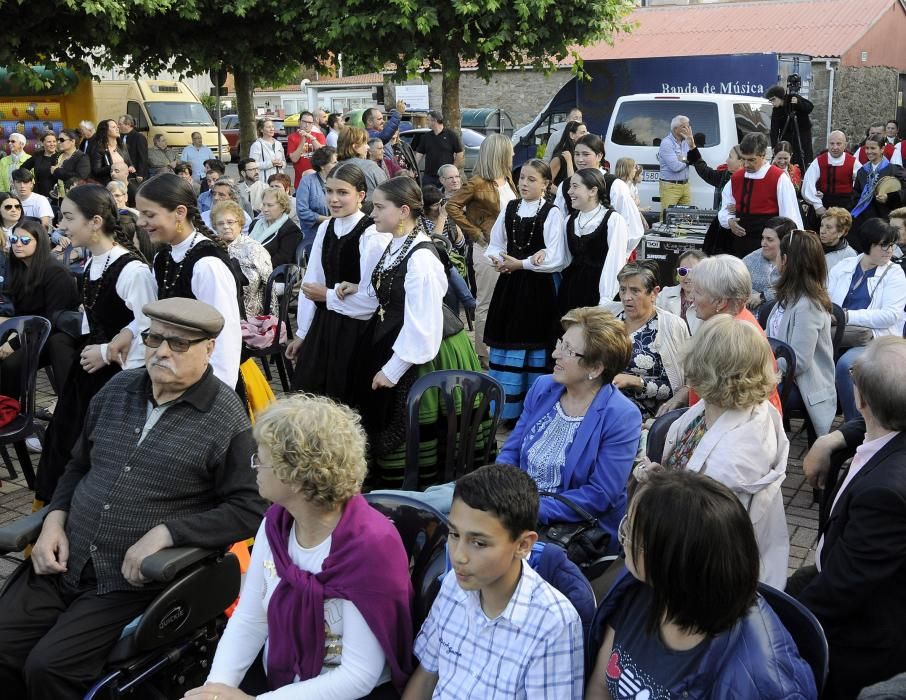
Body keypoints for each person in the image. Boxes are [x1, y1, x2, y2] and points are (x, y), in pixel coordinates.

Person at [0, 297, 266, 700]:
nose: (160, 351)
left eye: (178, 343)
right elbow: (78, 467)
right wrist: (54, 518)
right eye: (154, 337)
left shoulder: (225, 417)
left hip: (127, 580)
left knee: (49, 668)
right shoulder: (118, 387)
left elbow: (250, 508)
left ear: (208, 348)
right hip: (65, 558)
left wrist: (169, 533)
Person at [187, 394, 414, 700]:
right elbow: (252, 618)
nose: (254, 467)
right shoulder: (276, 524)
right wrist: (217, 690)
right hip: (279, 681)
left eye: (261, 459)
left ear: (295, 476)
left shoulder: (371, 548)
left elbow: (358, 675)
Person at [586, 470, 817, 700]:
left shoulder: (764, 682)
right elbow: (600, 686)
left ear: (675, 565)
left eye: (633, 534)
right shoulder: (636, 588)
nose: (624, 538)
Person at [402, 464, 584, 700]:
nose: (458, 556)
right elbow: (426, 677)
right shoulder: (452, 585)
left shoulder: (553, 624)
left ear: (523, 545)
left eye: (479, 543)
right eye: (455, 535)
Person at [791, 337, 906, 699]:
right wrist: (832, 439)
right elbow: (874, 422)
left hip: (862, 638)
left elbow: (841, 591)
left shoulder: (884, 497)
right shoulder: (887, 427)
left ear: (860, 400)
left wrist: (779, 627)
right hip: (841, 569)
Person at [640, 315, 789, 587]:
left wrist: (654, 493)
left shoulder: (732, 459)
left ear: (704, 367)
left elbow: (696, 535)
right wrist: (665, 478)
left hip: (702, 580)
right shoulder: (730, 409)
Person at [34, 184, 155, 503]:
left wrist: (106, 352)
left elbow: (149, 328)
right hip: (87, 376)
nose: (62, 226)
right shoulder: (92, 263)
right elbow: (97, 317)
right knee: (64, 447)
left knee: (95, 458)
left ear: (95, 222)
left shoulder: (133, 271)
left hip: (118, 383)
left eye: (69, 217)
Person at [358, 177, 483, 487]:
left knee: (426, 436)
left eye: (378, 207)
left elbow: (423, 327)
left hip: (430, 353)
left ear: (403, 211)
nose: (371, 213)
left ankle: (422, 498)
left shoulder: (422, 258)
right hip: (400, 341)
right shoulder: (396, 244)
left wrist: (392, 370)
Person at [497, 305, 640, 545]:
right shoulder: (545, 387)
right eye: (560, 343)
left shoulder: (621, 416)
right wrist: (499, 489)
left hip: (569, 529)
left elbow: (599, 495)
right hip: (514, 508)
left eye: (569, 350)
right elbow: (511, 451)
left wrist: (528, 510)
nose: (555, 354)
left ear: (595, 368)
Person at [110, 173, 242, 389]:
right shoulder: (163, 257)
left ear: (180, 212)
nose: (141, 222)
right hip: (175, 372)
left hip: (205, 380)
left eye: (149, 214)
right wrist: (129, 331)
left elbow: (226, 335)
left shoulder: (207, 264)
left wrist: (215, 394)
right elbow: (154, 310)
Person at [288, 163, 389, 404]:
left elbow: (371, 299)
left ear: (360, 195)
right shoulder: (326, 227)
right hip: (325, 327)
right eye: (329, 191)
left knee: (346, 399)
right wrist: (303, 332)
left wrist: (328, 295)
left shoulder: (372, 234)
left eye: (342, 193)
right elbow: (312, 282)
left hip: (358, 331)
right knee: (311, 396)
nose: (334, 199)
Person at [484, 158, 566, 421]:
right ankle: (505, 411)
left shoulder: (552, 213)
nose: (525, 184)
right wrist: (499, 260)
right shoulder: (509, 208)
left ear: (545, 184)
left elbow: (556, 256)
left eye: (532, 179)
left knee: (534, 343)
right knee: (508, 341)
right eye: (522, 179)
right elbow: (495, 244)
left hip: (538, 288)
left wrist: (522, 263)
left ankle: (533, 410)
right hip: (510, 285)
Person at [657, 254, 783, 416]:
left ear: (721, 302)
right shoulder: (725, 321)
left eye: (699, 292)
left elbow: (723, 410)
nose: (692, 297)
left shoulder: (733, 337)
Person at [446, 134, 517, 367]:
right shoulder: (477, 182)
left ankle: (498, 346)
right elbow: (452, 206)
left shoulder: (507, 178)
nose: (514, 154)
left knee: (505, 301)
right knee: (487, 301)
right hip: (488, 250)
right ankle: (484, 353)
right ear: (500, 153)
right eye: (510, 150)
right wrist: (475, 232)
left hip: (509, 250)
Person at [828, 218, 906, 422]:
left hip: (875, 338)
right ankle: (820, 415)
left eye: (892, 245)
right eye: (884, 245)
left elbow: (890, 315)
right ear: (867, 244)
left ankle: (855, 429)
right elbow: (825, 298)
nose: (889, 250)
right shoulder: (845, 266)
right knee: (807, 355)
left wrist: (845, 315)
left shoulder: (895, 274)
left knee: (846, 366)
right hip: (837, 333)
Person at [766, 228, 837, 437]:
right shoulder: (789, 296)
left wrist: (758, 368)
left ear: (786, 259)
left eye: (778, 253)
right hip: (781, 377)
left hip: (803, 386)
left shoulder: (808, 304)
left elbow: (798, 361)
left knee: (745, 394)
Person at [0, 219, 79, 397]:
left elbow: (52, 319)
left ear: (40, 242)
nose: (18, 244)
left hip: (53, 335)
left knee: (10, 364)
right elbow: (19, 310)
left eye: (25, 240)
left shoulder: (56, 273)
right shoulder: (19, 269)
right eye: (14, 239)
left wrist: (13, 343)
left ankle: (10, 412)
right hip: (27, 330)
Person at [606, 261, 690, 420]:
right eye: (623, 289)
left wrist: (636, 382)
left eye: (635, 291)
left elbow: (676, 388)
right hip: (600, 399)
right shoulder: (608, 315)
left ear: (654, 293)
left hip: (642, 414)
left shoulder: (671, 326)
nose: (626, 297)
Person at [554, 134, 645, 258]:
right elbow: (558, 222)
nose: (580, 159)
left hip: (608, 257)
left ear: (599, 156)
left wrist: (618, 257)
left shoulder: (615, 185)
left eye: (586, 154)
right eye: (577, 154)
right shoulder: (565, 186)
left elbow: (632, 227)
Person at [556, 169, 628, 318]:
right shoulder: (569, 220)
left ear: (593, 191)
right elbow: (563, 259)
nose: (569, 191)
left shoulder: (613, 220)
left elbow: (614, 263)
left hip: (599, 291)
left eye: (575, 186)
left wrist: (605, 300)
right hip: (571, 290)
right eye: (570, 187)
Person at [718, 132, 803, 258]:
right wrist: (729, 221)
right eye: (744, 159)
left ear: (763, 155)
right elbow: (725, 208)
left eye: (752, 160)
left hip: (768, 245)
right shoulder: (736, 178)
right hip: (738, 244)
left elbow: (790, 216)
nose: (746, 165)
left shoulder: (779, 178)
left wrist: (793, 248)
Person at [211, 200, 272, 318]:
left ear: (240, 224)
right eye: (220, 223)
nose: (226, 227)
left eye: (230, 222)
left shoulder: (254, 249)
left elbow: (269, 286)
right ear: (215, 227)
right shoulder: (210, 248)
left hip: (249, 314)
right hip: (215, 309)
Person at [849, 134, 906, 253]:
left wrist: (889, 197)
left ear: (882, 149)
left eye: (873, 148)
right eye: (867, 148)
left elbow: (904, 192)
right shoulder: (862, 171)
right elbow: (855, 195)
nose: (869, 152)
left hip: (885, 220)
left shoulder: (894, 170)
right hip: (864, 222)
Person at [801, 130, 859, 227]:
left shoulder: (853, 162)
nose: (835, 147)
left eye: (838, 144)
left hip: (845, 207)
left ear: (845, 145)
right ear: (828, 144)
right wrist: (818, 206)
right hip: (823, 204)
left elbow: (862, 183)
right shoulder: (819, 161)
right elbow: (808, 184)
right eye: (832, 144)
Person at [742, 216, 796, 307]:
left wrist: (764, 296)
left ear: (785, 242)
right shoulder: (749, 260)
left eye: (769, 239)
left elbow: (798, 287)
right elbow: (734, 284)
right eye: (763, 238)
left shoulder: (799, 261)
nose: (763, 243)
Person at [295, 146, 337, 253]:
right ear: (322, 165)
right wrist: (327, 219)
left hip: (337, 234)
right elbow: (302, 211)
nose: (337, 165)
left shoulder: (339, 180)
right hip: (314, 236)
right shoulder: (307, 181)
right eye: (334, 162)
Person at [765, 82, 814, 171]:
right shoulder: (776, 110)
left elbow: (809, 107)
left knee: (803, 159)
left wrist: (799, 103)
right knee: (789, 162)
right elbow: (774, 129)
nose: (772, 102)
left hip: (802, 136)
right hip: (787, 138)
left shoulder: (793, 98)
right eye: (770, 100)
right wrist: (774, 146)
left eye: (773, 99)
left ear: (779, 97)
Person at [655, 248, 706, 334]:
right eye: (683, 271)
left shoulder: (712, 299)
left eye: (694, 271)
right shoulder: (665, 294)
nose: (688, 277)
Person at [250, 186, 301, 268]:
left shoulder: (291, 230)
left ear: (282, 207)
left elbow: (283, 260)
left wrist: (255, 267)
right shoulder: (255, 224)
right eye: (264, 204)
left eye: (270, 205)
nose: (265, 209)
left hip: (273, 275)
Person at [336, 126, 388, 201]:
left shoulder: (334, 169)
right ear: (355, 147)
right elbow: (387, 193)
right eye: (365, 143)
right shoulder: (370, 166)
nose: (368, 147)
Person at [414, 111, 464, 189]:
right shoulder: (426, 137)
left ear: (435, 121)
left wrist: (453, 169)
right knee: (428, 198)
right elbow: (419, 154)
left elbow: (460, 153)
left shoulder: (451, 135)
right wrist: (413, 169)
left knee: (448, 197)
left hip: (446, 176)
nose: (427, 122)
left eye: (428, 120)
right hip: (429, 177)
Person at [657, 115, 692, 218]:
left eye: (688, 126)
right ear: (675, 129)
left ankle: (682, 235)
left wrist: (682, 158)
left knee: (685, 217)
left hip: (685, 185)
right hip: (670, 186)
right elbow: (675, 166)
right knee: (667, 218)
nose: (688, 129)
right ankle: (665, 235)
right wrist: (688, 159)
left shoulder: (687, 141)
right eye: (684, 127)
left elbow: (695, 157)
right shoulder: (666, 143)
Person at [286, 110, 325, 188]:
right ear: (299, 122)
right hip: (300, 182)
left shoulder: (319, 136)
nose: (307, 125)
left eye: (310, 123)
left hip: (319, 181)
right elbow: (294, 159)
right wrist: (303, 140)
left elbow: (324, 154)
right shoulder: (292, 137)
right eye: (304, 122)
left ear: (313, 124)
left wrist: (311, 138)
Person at [49, 129, 91, 200]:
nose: (58, 142)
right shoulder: (56, 156)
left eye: (62, 140)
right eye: (58, 139)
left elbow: (80, 177)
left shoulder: (82, 157)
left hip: (75, 198)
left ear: (72, 141)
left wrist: (57, 171)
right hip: (55, 199)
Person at [88, 119, 131, 186]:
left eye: (117, 127)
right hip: (108, 185)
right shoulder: (99, 149)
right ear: (105, 131)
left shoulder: (122, 146)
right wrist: (113, 167)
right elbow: (96, 171)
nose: (117, 128)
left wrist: (131, 167)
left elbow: (128, 163)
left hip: (123, 184)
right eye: (113, 127)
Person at [548, 120, 588, 188]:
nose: (586, 135)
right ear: (572, 135)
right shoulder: (560, 157)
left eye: (586, 132)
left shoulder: (580, 156)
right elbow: (547, 182)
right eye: (582, 133)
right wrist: (561, 194)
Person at [819, 206, 857, 273]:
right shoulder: (812, 247)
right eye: (822, 225)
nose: (822, 231)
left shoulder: (849, 255)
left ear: (841, 232)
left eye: (829, 227)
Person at [118, 114, 149, 181]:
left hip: (135, 174)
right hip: (122, 173)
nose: (118, 126)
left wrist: (140, 174)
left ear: (128, 124)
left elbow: (143, 157)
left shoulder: (139, 137)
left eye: (120, 124)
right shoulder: (119, 137)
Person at [28, 131, 59, 198]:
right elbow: (23, 168)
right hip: (38, 195)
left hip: (55, 196)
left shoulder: (60, 157)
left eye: (54, 141)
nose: (52, 144)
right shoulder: (37, 156)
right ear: (42, 143)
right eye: (49, 142)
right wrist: (30, 179)